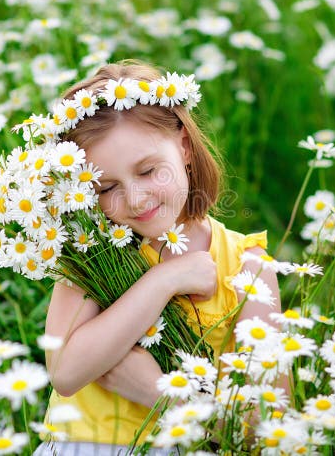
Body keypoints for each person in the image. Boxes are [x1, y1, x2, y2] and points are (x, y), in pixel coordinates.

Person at [34, 62, 285, 456]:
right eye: (107, 187)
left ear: (184, 146)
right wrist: (165, 279)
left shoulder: (247, 267)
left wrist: (158, 394)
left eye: (149, 170)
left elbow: (262, 426)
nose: (134, 199)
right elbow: (65, 372)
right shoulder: (94, 253)